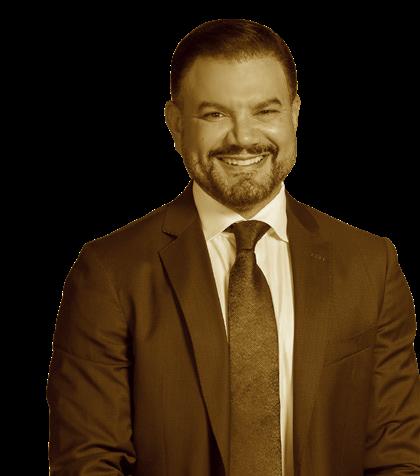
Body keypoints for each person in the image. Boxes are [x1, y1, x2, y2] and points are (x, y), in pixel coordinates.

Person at [47, 18, 420, 475]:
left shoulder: (371, 265)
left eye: (265, 111)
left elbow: (397, 457)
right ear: (175, 124)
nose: (243, 137)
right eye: (215, 114)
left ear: (294, 114)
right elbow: (87, 462)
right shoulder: (109, 273)